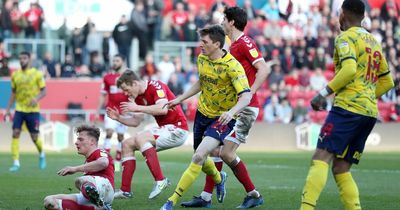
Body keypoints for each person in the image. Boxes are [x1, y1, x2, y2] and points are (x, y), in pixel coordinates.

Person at [300, 1, 395, 210]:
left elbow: (350, 69)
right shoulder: (374, 42)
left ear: (342, 14)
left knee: (321, 157)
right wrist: (368, 95)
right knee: (341, 168)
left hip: (347, 109)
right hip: (368, 113)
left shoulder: (345, 37)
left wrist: (323, 94)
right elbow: (388, 81)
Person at [180, 6, 269, 209]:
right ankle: (205, 197)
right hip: (233, 106)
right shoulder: (231, 46)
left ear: (231, 22)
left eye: (223, 18)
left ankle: (253, 194)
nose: (221, 21)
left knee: (226, 153)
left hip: (245, 107)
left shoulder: (245, 42)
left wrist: (250, 93)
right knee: (214, 149)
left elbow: (263, 68)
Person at [160, 24, 253, 210]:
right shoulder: (202, 58)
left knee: (199, 156)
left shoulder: (232, 66)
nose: (200, 44)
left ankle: (171, 201)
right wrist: (180, 99)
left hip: (222, 119)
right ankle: (220, 179)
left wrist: (231, 112)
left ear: (217, 44)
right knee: (202, 158)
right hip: (202, 114)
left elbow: (246, 96)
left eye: (204, 41)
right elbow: (201, 82)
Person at [107, 70, 189, 200]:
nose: (126, 94)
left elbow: (162, 109)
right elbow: (135, 122)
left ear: (134, 83)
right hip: (164, 129)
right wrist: (118, 118)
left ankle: (160, 180)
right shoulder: (138, 98)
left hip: (178, 129)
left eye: (126, 90)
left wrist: (137, 108)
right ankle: (125, 190)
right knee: (127, 144)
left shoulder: (156, 86)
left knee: (141, 137)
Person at [43, 125, 114, 210]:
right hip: (90, 195)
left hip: (106, 190)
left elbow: (103, 163)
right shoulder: (88, 161)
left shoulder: (100, 152)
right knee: (49, 201)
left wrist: (75, 169)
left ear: (92, 141)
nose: (76, 142)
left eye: (80, 139)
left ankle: (98, 203)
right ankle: (99, 208)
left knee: (80, 180)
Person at [5, 51, 46, 172]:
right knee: (15, 133)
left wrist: (36, 99)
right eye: (20, 58)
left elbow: (44, 91)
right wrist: (8, 109)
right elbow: (13, 93)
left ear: (29, 60)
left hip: (33, 110)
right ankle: (16, 163)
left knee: (34, 137)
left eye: (24, 58)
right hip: (19, 109)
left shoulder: (37, 74)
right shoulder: (15, 75)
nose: (22, 60)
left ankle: (42, 154)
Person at [96, 54, 129, 172]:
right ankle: (106, 159)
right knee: (109, 132)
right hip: (111, 110)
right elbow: (103, 94)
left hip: (124, 111)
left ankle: (118, 159)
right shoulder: (107, 77)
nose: (115, 63)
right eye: (113, 61)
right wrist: (97, 110)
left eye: (117, 60)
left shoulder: (128, 77)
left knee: (121, 137)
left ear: (122, 62)